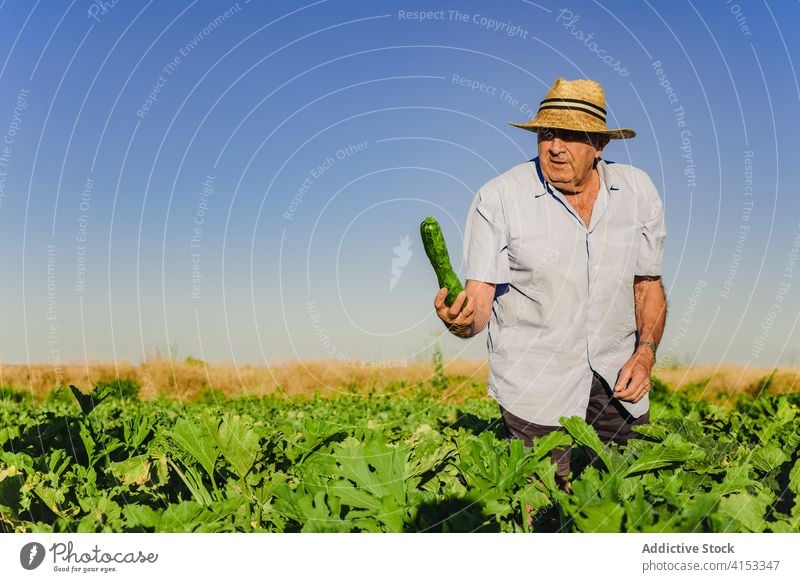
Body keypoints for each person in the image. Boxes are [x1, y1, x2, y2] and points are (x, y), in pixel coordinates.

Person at [433, 77, 667, 481]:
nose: (554, 146)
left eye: (570, 135)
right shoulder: (500, 198)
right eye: (546, 133)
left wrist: (645, 352)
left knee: (630, 499)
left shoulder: (638, 192)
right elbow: (478, 304)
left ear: (600, 145)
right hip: (536, 385)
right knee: (542, 507)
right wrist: (460, 322)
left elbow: (647, 285)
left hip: (618, 381)